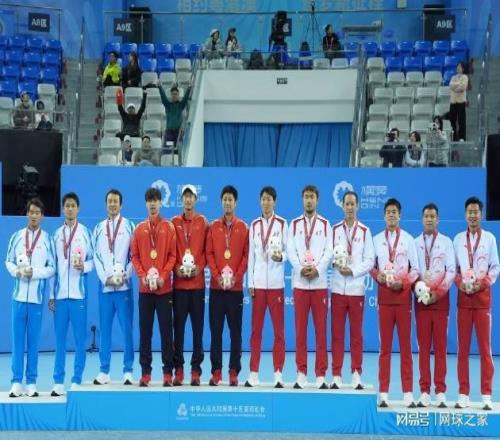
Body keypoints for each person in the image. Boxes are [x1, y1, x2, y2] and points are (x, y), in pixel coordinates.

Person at [371, 198, 419, 408]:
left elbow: (415, 269)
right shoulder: (376, 240)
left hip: (403, 300)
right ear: (384, 216)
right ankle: (383, 393)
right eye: (388, 212)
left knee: (406, 348)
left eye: (394, 212)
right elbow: (371, 266)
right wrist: (378, 276)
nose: (391, 215)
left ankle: (408, 393)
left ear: (400, 215)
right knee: (385, 348)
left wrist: (405, 283)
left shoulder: (408, 239)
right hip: (384, 300)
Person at [5, 198, 55, 398]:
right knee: (17, 341)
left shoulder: (47, 240)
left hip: (36, 299)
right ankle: (16, 382)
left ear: (42, 216)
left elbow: (52, 268)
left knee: (33, 342)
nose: (34, 215)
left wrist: (34, 272)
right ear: (27, 214)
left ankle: (32, 382)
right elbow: (8, 261)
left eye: (37, 212)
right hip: (18, 298)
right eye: (31, 212)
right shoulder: (16, 237)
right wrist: (17, 272)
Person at [453, 196, 499, 410]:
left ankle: (486, 394)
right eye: (469, 212)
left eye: (476, 212)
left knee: (484, 350)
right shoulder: (457, 240)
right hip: (463, 302)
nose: (473, 215)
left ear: (481, 214)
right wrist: (460, 284)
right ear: (465, 215)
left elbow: (495, 267)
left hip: (482, 302)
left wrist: (482, 283)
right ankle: (463, 393)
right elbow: (453, 270)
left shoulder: (489, 239)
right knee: (462, 349)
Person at [287, 185, 333, 390]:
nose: (309, 200)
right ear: (302, 199)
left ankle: (321, 374)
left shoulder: (325, 224)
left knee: (321, 331)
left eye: (312, 197)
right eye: (306, 197)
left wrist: (317, 269)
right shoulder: (294, 224)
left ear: (317, 199)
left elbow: (329, 251)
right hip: (300, 284)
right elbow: (290, 251)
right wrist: (301, 268)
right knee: (300, 331)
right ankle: (301, 373)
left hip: (319, 284)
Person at [130, 187, 176, 387]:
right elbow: (135, 256)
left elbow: (173, 256)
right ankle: (146, 373)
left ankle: (167, 373)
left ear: (161, 203)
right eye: (149, 201)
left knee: (166, 332)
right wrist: (143, 277)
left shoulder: (169, 227)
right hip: (145, 291)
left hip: (164, 290)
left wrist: (163, 277)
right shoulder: (139, 229)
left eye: (156, 200)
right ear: (145, 204)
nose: (153, 204)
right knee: (145, 332)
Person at [50, 192, 94, 396]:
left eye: (73, 205)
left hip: (78, 296)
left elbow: (94, 261)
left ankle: (77, 378)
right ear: (63, 208)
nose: (69, 209)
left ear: (78, 208)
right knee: (59, 341)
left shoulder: (85, 233)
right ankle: (58, 381)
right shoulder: (56, 235)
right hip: (60, 297)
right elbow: (52, 267)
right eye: (66, 205)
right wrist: (51, 295)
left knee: (79, 340)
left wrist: (84, 266)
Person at [330, 191, 374, 390]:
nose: (349, 207)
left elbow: (370, 260)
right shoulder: (334, 230)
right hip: (338, 289)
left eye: (352, 204)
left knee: (356, 335)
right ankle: (336, 374)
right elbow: (327, 255)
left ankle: (356, 373)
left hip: (356, 290)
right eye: (346, 204)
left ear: (358, 206)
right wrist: (336, 263)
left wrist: (353, 271)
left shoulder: (365, 231)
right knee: (337, 334)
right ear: (342, 206)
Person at [206, 185, 249, 386]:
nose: (227, 203)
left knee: (235, 332)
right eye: (225, 199)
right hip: (216, 289)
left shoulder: (243, 227)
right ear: (221, 202)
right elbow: (209, 254)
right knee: (216, 331)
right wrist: (217, 276)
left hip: (235, 290)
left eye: (231, 199)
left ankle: (233, 371)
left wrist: (235, 278)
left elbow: (246, 257)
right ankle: (216, 371)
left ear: (236, 202)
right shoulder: (213, 226)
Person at [414, 203, 455, 408]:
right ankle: (424, 391)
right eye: (426, 216)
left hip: (440, 303)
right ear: (422, 219)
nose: (429, 219)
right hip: (422, 302)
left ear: (437, 219)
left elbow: (451, 271)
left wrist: (437, 294)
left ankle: (440, 391)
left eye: (432, 216)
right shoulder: (415, 243)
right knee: (423, 349)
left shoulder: (446, 242)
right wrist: (419, 289)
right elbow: (412, 271)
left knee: (440, 348)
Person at [245, 186, 288, 389]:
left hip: (277, 284)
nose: (266, 202)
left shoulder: (283, 224)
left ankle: (278, 373)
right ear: (260, 201)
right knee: (256, 331)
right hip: (259, 285)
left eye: (269, 199)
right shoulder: (254, 225)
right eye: (263, 199)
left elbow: (288, 251)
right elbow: (251, 256)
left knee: (279, 331)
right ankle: (253, 372)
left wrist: (282, 257)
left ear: (275, 202)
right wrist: (250, 282)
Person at [92, 189, 135, 386]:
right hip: (106, 289)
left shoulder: (130, 226)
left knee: (127, 330)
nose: (112, 204)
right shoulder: (98, 229)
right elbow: (96, 256)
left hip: (124, 288)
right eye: (109, 201)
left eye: (115, 201)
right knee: (105, 329)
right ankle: (104, 371)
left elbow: (135, 255)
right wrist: (106, 279)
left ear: (121, 204)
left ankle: (128, 370)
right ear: (105, 204)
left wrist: (125, 275)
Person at [171, 184, 209, 386]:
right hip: (179, 287)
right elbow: (170, 251)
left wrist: (199, 268)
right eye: (185, 196)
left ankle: (196, 370)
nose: (188, 200)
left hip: (197, 286)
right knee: (178, 330)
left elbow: (207, 251)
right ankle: (178, 370)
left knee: (197, 330)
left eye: (191, 196)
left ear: (195, 199)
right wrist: (176, 268)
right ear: (182, 200)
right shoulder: (174, 222)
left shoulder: (203, 222)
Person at [158, 85, 191, 152]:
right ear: (171, 95)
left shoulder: (181, 105)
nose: (174, 95)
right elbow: (163, 97)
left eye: (176, 94)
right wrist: (160, 87)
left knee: (178, 149)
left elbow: (185, 98)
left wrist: (189, 89)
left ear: (178, 95)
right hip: (169, 132)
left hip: (178, 132)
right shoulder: (167, 105)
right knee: (167, 148)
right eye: (173, 94)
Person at [449, 62, 468, 141]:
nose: (458, 68)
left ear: (463, 69)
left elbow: (463, 87)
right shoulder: (453, 77)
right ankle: (454, 137)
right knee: (452, 121)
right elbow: (450, 85)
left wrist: (455, 87)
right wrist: (458, 84)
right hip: (453, 102)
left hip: (461, 102)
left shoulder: (465, 77)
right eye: (457, 66)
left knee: (461, 121)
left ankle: (462, 137)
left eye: (460, 67)